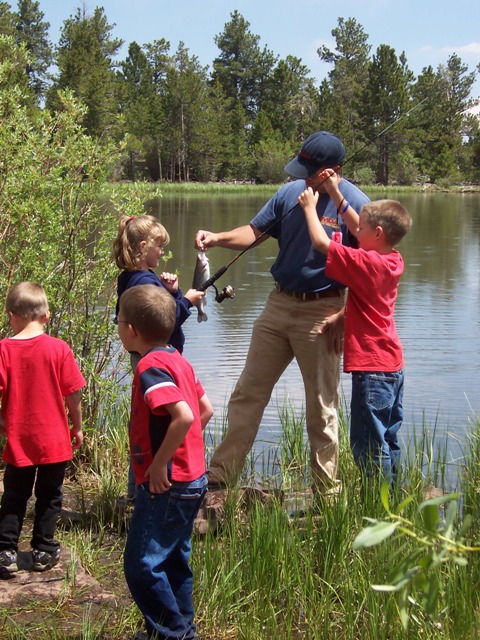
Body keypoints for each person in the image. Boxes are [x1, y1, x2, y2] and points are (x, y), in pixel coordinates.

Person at [195, 131, 370, 494]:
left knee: (321, 408)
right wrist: (217, 237)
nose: (303, 176)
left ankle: (326, 493)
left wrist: (344, 316)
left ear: (332, 171)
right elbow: (254, 232)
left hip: (324, 310)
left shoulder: (355, 205)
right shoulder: (290, 193)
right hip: (277, 304)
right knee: (247, 393)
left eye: (310, 170)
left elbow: (372, 270)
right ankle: (220, 478)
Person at [298, 169, 412, 481]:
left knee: (367, 445)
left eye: (360, 229)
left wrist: (310, 207)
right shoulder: (391, 259)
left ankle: (377, 507)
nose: (354, 231)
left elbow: (323, 244)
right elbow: (355, 223)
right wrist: (336, 191)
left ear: (376, 234)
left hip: (372, 370)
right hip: (392, 367)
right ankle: (394, 498)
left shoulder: (367, 263)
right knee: (387, 438)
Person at [117, 285, 213, 640]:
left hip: (166, 484)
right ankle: (180, 626)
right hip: (192, 480)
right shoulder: (178, 358)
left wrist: (160, 463)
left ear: (131, 331)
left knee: (141, 564)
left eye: (119, 320)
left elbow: (185, 416)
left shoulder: (150, 365)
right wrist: (182, 448)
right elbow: (206, 410)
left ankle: (173, 632)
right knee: (173, 559)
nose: (118, 326)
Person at [113, 214, 205, 502]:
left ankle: (139, 489)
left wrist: (172, 292)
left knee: (146, 424)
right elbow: (164, 321)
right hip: (156, 360)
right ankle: (145, 489)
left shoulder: (132, 277)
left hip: (148, 358)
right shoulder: (143, 281)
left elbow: (155, 313)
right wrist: (186, 301)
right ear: (143, 246)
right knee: (152, 428)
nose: (161, 252)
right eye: (158, 247)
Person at [0, 282, 85, 578]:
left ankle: (6, 551)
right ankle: (43, 550)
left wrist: (3, 421)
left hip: (20, 441)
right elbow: (73, 392)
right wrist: (77, 426)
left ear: (12, 316)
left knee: (14, 495)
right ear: (46, 316)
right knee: (50, 496)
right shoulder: (59, 349)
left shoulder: (4, 350)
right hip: (55, 440)